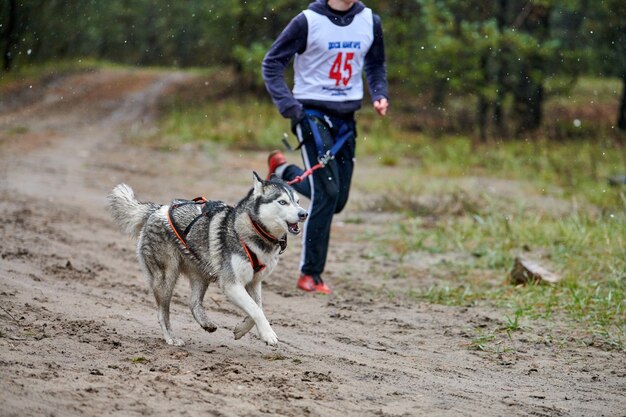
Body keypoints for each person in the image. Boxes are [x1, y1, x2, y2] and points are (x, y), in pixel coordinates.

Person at [262, 0, 389, 294]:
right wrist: (290, 107)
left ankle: (282, 171)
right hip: (311, 114)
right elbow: (271, 63)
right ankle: (310, 274)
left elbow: (375, 63)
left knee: (338, 200)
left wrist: (380, 93)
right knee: (327, 192)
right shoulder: (307, 21)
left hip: (346, 119)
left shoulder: (371, 21)